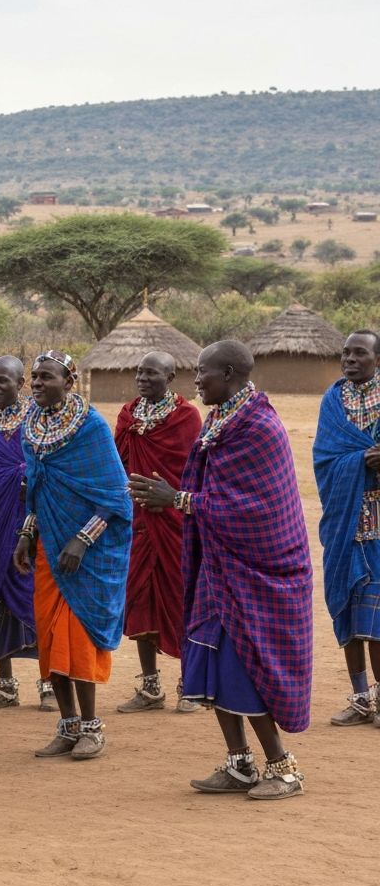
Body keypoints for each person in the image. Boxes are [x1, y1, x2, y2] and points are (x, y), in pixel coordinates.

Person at [130, 341, 313, 800]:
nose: (196, 381)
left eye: (203, 374)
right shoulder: (222, 418)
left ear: (229, 372)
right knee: (209, 657)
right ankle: (239, 763)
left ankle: (283, 767)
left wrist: (178, 500)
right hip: (219, 565)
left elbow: (257, 509)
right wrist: (179, 498)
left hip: (259, 569)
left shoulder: (259, 426)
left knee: (244, 666)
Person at [12, 351, 132, 761]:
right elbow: (35, 490)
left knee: (78, 637)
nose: (38, 383)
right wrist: (26, 535)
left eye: (47, 377)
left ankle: (92, 728)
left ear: (70, 381)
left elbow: (117, 499)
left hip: (86, 554)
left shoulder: (92, 428)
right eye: (35, 378)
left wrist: (82, 540)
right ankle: (67, 725)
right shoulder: (31, 426)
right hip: (48, 547)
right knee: (48, 637)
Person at [114, 351, 203, 714]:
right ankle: (150, 687)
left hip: (174, 520)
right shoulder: (127, 415)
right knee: (139, 598)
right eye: (139, 372)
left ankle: (190, 685)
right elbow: (117, 465)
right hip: (137, 522)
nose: (143, 378)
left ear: (171, 375)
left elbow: (195, 470)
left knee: (180, 597)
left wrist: (170, 499)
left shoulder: (186, 417)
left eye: (152, 372)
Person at [0, 356, 51, 711]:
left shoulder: (40, 418)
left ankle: (49, 682)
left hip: (33, 520)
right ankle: (6, 685)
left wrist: (28, 481)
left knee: (37, 598)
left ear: (21, 384)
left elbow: (48, 465)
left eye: (3, 381)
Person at [313, 330, 380, 727]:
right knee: (348, 612)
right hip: (343, 525)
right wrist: (361, 463)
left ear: (377, 358)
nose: (351, 359)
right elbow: (324, 459)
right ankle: (359, 700)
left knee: (376, 620)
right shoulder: (332, 401)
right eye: (346, 353)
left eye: (361, 353)